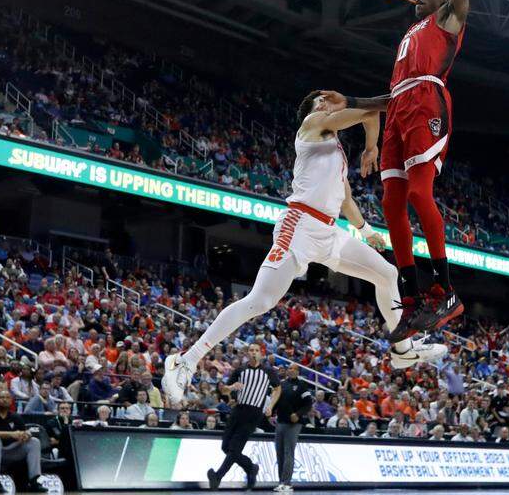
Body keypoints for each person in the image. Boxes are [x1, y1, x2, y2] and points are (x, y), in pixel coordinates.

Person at [162, 92, 448, 404]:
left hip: (328, 231)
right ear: (313, 111)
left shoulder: (336, 150)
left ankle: (402, 351)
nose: (327, 103)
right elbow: (369, 108)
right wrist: (401, 97)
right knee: (260, 300)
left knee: (387, 274)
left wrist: (369, 159)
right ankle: (185, 361)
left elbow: (348, 195)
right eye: (321, 101)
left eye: (329, 100)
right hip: (299, 226)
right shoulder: (312, 125)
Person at [315, 0, 488, 342]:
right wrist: (349, 102)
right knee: (391, 204)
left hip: (429, 103)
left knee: (417, 194)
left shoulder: (450, 18)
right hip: (400, 111)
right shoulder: (406, 38)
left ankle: (446, 290)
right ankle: (412, 297)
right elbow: (389, 98)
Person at [206, 344, 280, 492]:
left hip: (254, 413)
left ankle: (218, 476)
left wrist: (270, 406)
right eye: (251, 350)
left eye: (256, 351)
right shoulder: (240, 370)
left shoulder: (268, 371)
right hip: (238, 410)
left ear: (261, 354)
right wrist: (232, 388)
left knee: (234, 448)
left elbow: (277, 389)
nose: (254, 353)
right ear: (247, 353)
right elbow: (224, 389)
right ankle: (251, 468)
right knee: (225, 446)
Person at [0, 391, 47, 492]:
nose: (5, 399)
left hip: (12, 450)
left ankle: (34, 481)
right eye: (2, 397)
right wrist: (10, 434)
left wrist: (26, 435)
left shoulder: (15, 416)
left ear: (11, 401)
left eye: (7, 397)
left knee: (34, 441)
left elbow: (24, 430)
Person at [270, 364, 314, 492]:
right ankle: (281, 482)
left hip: (294, 423)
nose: (291, 370)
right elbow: (275, 401)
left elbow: (308, 404)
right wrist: (271, 413)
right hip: (280, 422)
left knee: (289, 451)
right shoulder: (281, 384)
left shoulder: (302, 385)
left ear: (298, 371)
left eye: (294, 369)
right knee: (279, 452)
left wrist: (298, 414)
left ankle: (287, 483)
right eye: (289, 368)